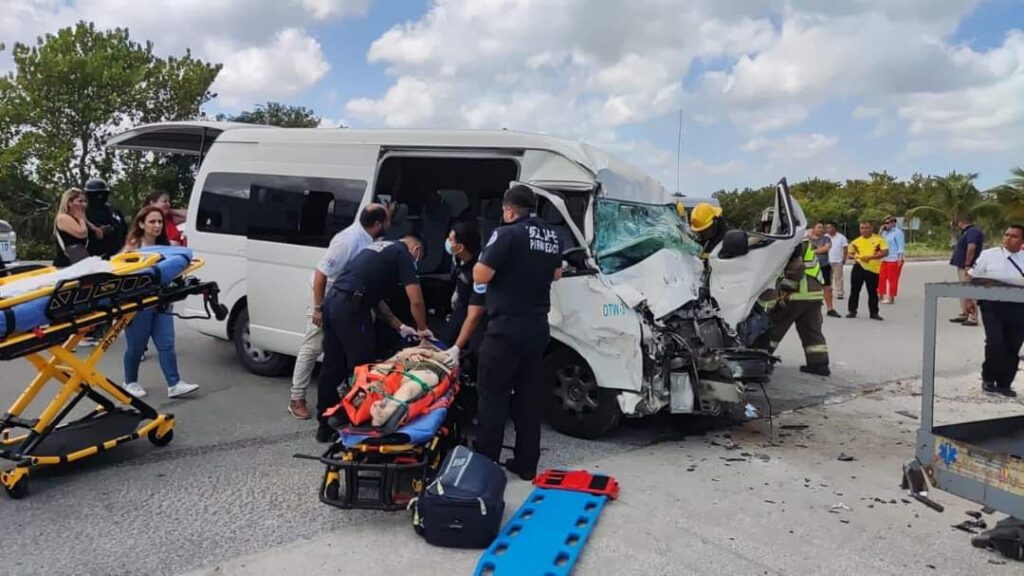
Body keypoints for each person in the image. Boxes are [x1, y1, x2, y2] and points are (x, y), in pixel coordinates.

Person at [473, 185, 563, 481]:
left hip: (506, 329)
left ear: (509, 210)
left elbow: (481, 275)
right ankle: (526, 464)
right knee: (527, 398)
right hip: (538, 327)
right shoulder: (551, 235)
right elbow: (556, 274)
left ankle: (485, 466)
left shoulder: (506, 233)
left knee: (493, 396)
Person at [316, 235, 430, 442]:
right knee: (364, 366)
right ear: (417, 249)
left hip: (333, 303)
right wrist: (423, 330)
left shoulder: (378, 248)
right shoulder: (402, 254)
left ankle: (324, 425)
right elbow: (417, 300)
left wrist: (401, 326)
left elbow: (375, 300)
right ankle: (359, 421)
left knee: (332, 365)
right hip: (352, 308)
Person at [288, 204, 389, 420]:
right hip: (327, 298)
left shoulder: (369, 239)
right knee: (313, 346)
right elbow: (321, 274)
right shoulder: (348, 241)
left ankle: (344, 394)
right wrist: (318, 307)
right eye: (388, 219)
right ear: (378, 224)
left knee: (341, 351)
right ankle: (297, 398)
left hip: (346, 303)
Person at [120, 206, 199, 399]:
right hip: (139, 303)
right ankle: (129, 382)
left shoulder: (167, 247)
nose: (157, 226)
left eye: (160, 222)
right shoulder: (132, 247)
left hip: (162, 300)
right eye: (152, 222)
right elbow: (120, 273)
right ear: (141, 224)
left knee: (166, 343)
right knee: (136, 346)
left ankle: (174, 383)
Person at [760, 236, 830, 376]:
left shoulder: (788, 242)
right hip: (814, 293)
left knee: (774, 327)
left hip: (796, 294)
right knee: (811, 330)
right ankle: (819, 364)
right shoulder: (804, 242)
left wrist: (785, 292)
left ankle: (761, 361)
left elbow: (796, 269)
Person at [968, 225, 1024, 398]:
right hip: (992, 305)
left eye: (1014, 236)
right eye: (1006, 234)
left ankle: (1004, 383)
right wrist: (969, 299)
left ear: (1022, 241)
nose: (1008, 238)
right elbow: (972, 277)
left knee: (1013, 345)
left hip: (1019, 307)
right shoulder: (988, 255)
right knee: (995, 343)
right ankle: (989, 379)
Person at [441, 221, 487, 358]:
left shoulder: (481, 267)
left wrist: (457, 347)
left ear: (460, 247)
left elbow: (476, 313)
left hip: (481, 312)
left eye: (450, 240)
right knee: (444, 341)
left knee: (476, 350)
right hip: (462, 306)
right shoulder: (457, 259)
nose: (447, 243)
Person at [846, 221, 888, 321]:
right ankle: (852, 311)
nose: (864, 230)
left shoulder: (879, 240)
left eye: (866, 228)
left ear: (872, 228)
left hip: (873, 269)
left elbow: (885, 252)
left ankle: (874, 313)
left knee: (872, 292)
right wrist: (857, 257)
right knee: (854, 290)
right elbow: (849, 254)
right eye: (862, 228)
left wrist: (870, 257)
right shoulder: (855, 242)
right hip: (859, 266)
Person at [53, 187, 103, 268]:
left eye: (85, 201)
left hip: (82, 263)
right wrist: (81, 219)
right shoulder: (63, 218)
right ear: (69, 202)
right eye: (80, 201)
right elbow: (82, 233)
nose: (84, 204)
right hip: (67, 265)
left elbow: (99, 235)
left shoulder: (81, 220)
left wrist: (88, 223)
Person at [950, 214, 984, 326]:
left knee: (969, 290)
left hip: (968, 266)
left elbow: (972, 247)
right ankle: (965, 312)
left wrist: (967, 264)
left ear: (961, 222)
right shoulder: (966, 232)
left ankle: (972, 316)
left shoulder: (973, 232)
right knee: (963, 290)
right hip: (962, 265)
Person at [83, 178, 127, 259]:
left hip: (117, 256)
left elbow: (124, 232)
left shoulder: (114, 211)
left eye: (102, 194)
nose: (99, 197)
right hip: (93, 259)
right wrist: (97, 232)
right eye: (95, 194)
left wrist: (112, 229)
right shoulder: (83, 213)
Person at [808, 222, 837, 318]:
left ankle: (830, 309)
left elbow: (826, 248)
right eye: (819, 227)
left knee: (827, 288)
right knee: (811, 289)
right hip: (810, 267)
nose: (821, 229)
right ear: (813, 228)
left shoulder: (826, 238)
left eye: (822, 228)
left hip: (824, 266)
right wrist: (819, 249)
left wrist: (813, 251)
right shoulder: (807, 239)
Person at [878, 216, 906, 304]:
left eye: (888, 223)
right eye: (885, 223)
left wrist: (900, 259)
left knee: (892, 279)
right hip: (884, 258)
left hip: (894, 258)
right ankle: (880, 294)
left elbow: (901, 246)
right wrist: (881, 231)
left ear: (893, 223)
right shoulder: (884, 233)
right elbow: (879, 241)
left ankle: (891, 297)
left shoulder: (898, 233)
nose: (886, 225)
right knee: (881, 277)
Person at [826, 222, 849, 300]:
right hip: (826, 261)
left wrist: (844, 258)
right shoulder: (825, 237)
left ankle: (840, 292)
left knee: (838, 278)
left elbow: (845, 248)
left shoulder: (841, 237)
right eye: (827, 227)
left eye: (830, 227)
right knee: (827, 278)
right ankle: (828, 292)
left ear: (834, 228)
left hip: (837, 260)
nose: (828, 229)